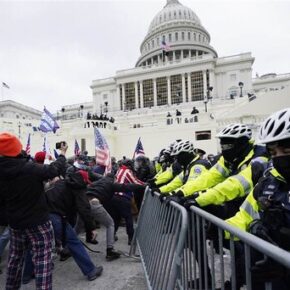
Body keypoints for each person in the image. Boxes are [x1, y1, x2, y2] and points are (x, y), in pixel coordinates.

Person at [224, 108, 290, 289]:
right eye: (274, 153)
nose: (280, 158)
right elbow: (245, 215)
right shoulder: (269, 182)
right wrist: (221, 230)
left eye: (286, 149)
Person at [0, 133, 67, 290]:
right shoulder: (29, 168)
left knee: (15, 260)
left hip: (15, 223)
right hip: (38, 223)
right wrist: (62, 154)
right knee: (43, 261)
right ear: (17, 149)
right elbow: (53, 170)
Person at [45, 171, 103, 280]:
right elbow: (84, 209)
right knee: (74, 242)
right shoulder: (78, 187)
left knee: (37, 245)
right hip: (56, 217)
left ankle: (28, 274)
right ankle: (91, 271)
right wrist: (92, 228)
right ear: (83, 181)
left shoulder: (61, 182)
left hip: (41, 215)